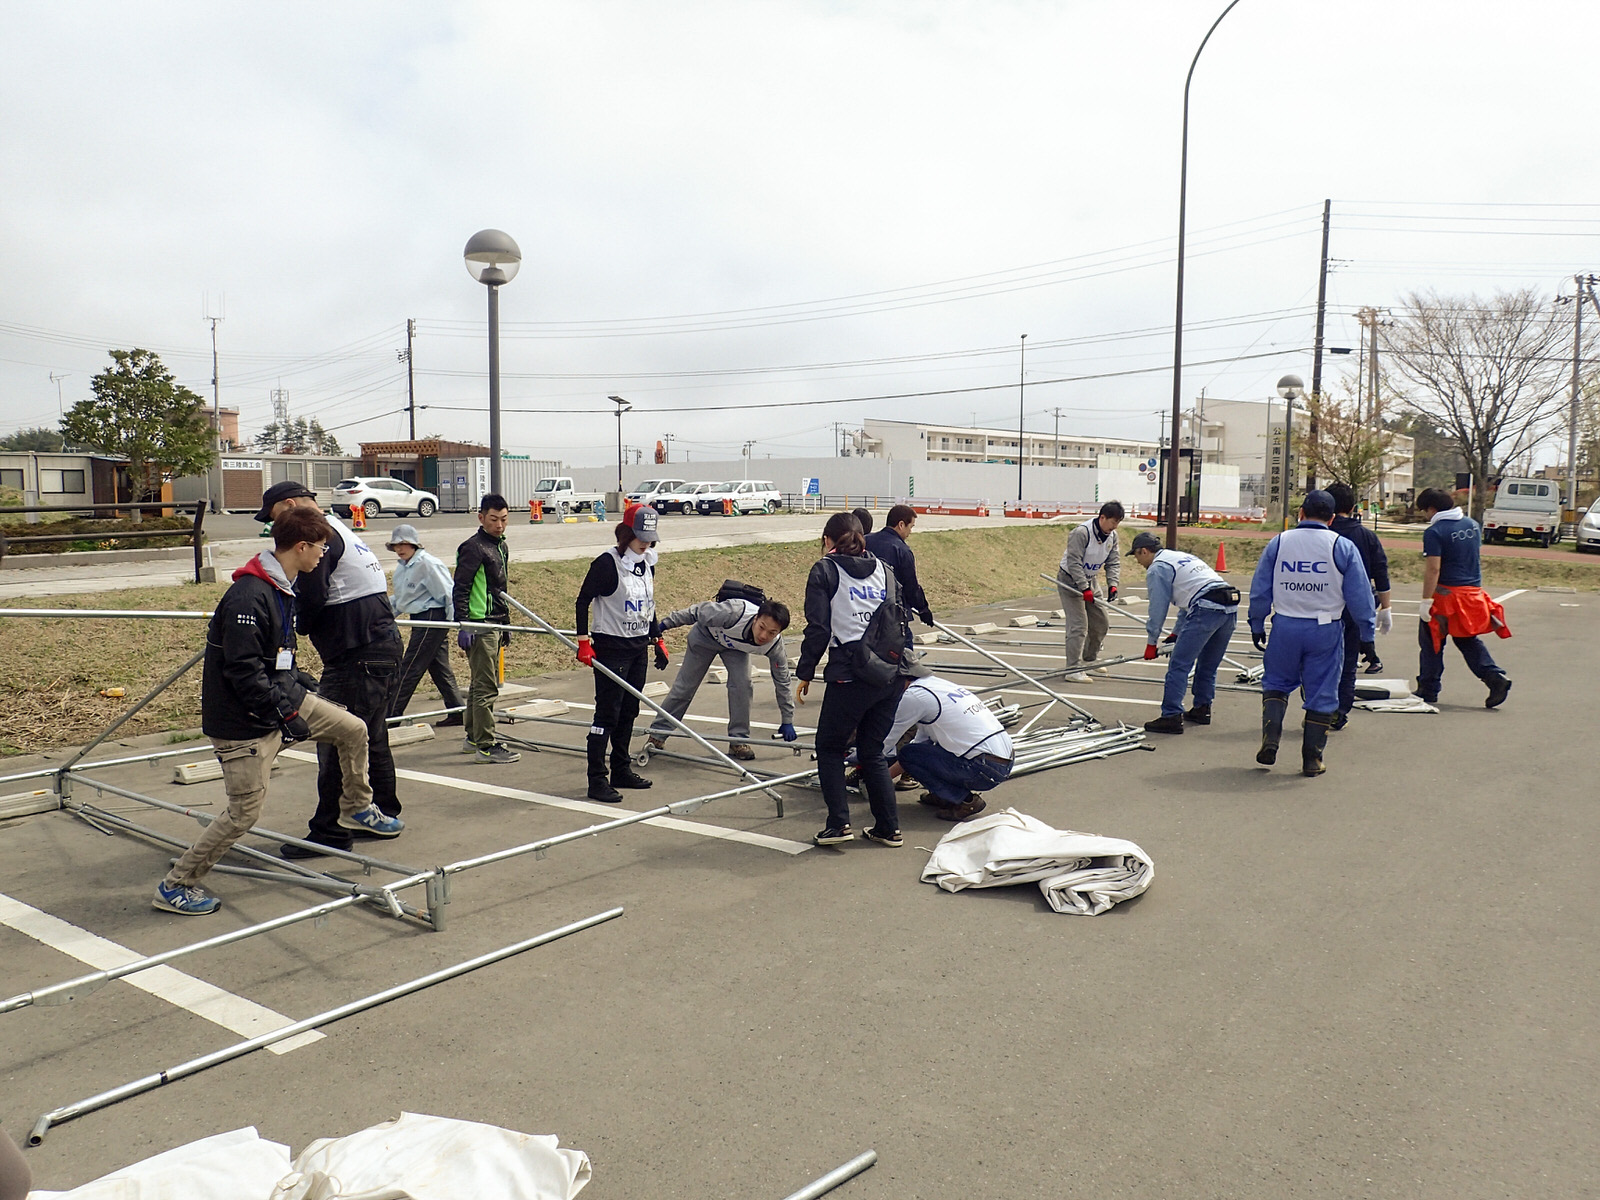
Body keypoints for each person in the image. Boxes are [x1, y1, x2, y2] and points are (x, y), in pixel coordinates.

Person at [153, 506, 401, 915]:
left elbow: (278, 657)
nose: (324, 554)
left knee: (354, 729)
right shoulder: (249, 596)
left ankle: (355, 805)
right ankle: (176, 884)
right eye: (320, 547)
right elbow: (244, 671)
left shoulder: (283, 586)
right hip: (244, 721)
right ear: (301, 547)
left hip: (280, 697)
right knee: (242, 815)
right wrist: (287, 717)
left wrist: (301, 685)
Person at [256, 481, 407, 859]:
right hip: (379, 645)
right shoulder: (340, 529)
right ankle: (380, 811)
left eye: (274, 518)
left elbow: (311, 597)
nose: (276, 530)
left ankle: (331, 831)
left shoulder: (318, 538)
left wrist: (293, 627)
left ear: (289, 506)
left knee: (337, 738)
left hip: (357, 653)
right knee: (369, 735)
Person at [1247, 490, 1378, 777]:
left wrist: (1256, 622)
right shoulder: (1341, 546)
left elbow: (1260, 589)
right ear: (1332, 519)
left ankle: (1271, 739)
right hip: (1325, 628)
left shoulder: (1279, 542)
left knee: (1276, 684)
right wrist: (1368, 635)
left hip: (1285, 624)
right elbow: (1360, 596)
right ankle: (1312, 759)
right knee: (1322, 692)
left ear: (1301, 514)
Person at [796, 511, 906, 848]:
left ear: (827, 539)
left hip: (850, 673)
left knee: (830, 748)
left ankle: (838, 825)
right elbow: (902, 620)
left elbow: (818, 628)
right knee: (872, 750)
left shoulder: (825, 570)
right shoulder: (884, 571)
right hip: (891, 673)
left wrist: (805, 671)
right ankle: (889, 828)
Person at [576, 503, 668, 802]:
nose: (645, 542)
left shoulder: (647, 562)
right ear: (625, 533)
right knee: (607, 714)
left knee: (629, 711)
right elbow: (582, 601)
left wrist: (657, 637)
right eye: (640, 536)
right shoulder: (606, 564)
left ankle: (621, 769)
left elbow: (647, 603)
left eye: (650, 537)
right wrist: (583, 641)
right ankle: (596, 779)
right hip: (611, 648)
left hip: (638, 647)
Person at [646, 590, 797, 760]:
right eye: (762, 627)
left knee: (743, 686)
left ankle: (738, 741)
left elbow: (783, 681)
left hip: (735, 649)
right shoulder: (734, 612)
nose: (763, 636)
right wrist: (660, 627)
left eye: (772, 633)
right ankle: (657, 735)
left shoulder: (775, 647)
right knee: (684, 687)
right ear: (755, 618)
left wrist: (787, 720)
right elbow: (695, 612)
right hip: (705, 637)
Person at [1126, 530, 1240, 734]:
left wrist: (1152, 642)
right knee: (1208, 664)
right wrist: (1176, 634)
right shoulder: (1180, 557)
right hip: (1229, 607)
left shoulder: (1157, 568)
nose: (1137, 561)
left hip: (1206, 608)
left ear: (1144, 551)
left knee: (1179, 665)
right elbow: (1188, 601)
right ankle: (1202, 709)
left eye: (1136, 555)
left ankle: (1171, 716)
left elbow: (1157, 608)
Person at [1414, 487, 1513, 708]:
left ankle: (1428, 688)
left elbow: (1433, 569)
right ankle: (1494, 677)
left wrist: (1426, 601)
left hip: (1446, 596)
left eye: (1424, 511)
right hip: (1473, 593)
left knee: (1431, 642)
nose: (1425, 515)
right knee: (1466, 639)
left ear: (1432, 509)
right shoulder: (1472, 525)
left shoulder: (1435, 531)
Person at [881, 672, 1012, 822]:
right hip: (1001, 761)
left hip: (984, 768)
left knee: (908, 754)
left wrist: (874, 775)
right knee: (916, 752)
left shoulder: (914, 696)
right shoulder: (936, 686)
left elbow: (886, 742)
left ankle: (966, 801)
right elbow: (920, 745)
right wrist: (888, 774)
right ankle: (944, 795)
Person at [452, 494, 520, 764]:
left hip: (495, 621)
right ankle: (486, 744)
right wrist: (465, 623)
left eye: (504, 519)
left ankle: (473, 737)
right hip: (479, 624)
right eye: (493, 519)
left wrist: (505, 623)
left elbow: (500, 590)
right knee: (486, 687)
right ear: (481, 518)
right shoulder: (473, 547)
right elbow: (461, 587)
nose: (499, 525)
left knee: (480, 684)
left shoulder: (500, 547)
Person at [1327, 483, 1394, 729]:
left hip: (1320, 606)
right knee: (1347, 664)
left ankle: (1316, 708)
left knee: (1317, 662)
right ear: (1353, 507)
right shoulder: (1366, 535)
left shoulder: (1321, 532)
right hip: (1355, 608)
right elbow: (1381, 573)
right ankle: (1339, 711)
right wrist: (1385, 608)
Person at [385, 523, 465, 727]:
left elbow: (448, 594)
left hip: (433, 617)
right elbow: (402, 600)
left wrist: (454, 623)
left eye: (405, 544)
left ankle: (391, 716)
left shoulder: (428, 564)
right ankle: (457, 710)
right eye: (396, 544)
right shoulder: (403, 568)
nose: (400, 548)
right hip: (419, 617)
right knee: (438, 667)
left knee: (410, 666)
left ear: (414, 545)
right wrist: (383, 615)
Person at [1055, 501, 1123, 683]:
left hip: (1091, 580)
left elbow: (1113, 561)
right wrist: (1083, 588)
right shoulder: (1081, 533)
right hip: (1070, 580)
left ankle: (1089, 660)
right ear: (1102, 517)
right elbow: (1074, 562)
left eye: (1118, 523)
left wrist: (1113, 584)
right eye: (1112, 522)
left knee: (1101, 622)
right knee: (1078, 626)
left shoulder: (1112, 536)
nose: (1114, 526)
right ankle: (1073, 669)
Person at [865, 503, 935, 627]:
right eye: (911, 527)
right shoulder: (902, 550)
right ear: (901, 525)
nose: (910, 532)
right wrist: (923, 609)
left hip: (866, 608)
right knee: (904, 644)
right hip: (894, 613)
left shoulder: (865, 541)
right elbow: (910, 586)